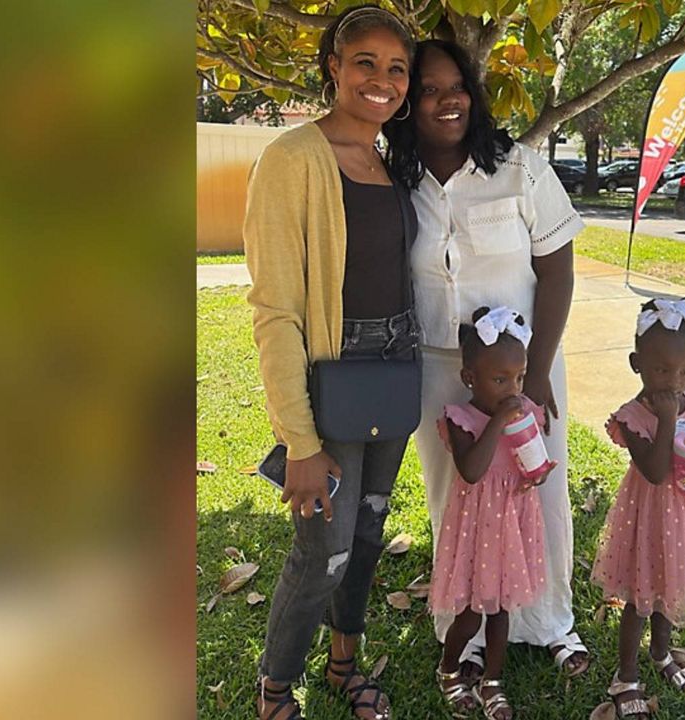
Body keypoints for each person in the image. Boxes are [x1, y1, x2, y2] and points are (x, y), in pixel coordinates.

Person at [382, 38, 591, 682]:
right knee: (455, 497)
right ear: (407, 104)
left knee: (539, 487)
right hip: (440, 370)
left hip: (524, 371)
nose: (447, 101)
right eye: (428, 90)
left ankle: (550, 622)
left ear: (473, 93)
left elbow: (557, 273)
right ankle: (463, 630)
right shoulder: (395, 179)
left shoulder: (520, 169)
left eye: (457, 87)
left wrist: (537, 374)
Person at [243, 6, 417, 719]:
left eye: (397, 68)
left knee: (368, 534)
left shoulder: (391, 160)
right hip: (333, 374)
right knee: (323, 552)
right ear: (334, 68)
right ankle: (276, 689)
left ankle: (345, 666)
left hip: (396, 367)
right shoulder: (291, 159)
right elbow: (275, 309)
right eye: (365, 62)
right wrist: (299, 440)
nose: (382, 80)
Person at [590, 297, 685, 720]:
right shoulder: (632, 416)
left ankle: (661, 652)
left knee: (669, 587)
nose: (674, 381)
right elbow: (653, 472)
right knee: (641, 596)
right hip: (650, 517)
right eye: (662, 370)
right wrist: (667, 420)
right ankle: (626, 676)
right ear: (637, 364)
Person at [430, 306, 553, 720]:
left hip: (512, 527)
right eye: (501, 380)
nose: (513, 389)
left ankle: (493, 681)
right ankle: (449, 670)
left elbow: (529, 463)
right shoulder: (461, 419)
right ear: (470, 378)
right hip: (476, 530)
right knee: (469, 616)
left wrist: (536, 474)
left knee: (501, 612)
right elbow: (472, 470)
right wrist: (498, 421)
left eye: (519, 377)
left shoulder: (524, 413)